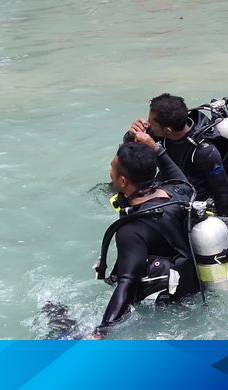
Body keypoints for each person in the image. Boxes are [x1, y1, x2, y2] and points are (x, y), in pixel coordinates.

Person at [91, 134, 200, 338]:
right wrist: (157, 149)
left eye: (111, 168)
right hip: (194, 289)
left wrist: (101, 331)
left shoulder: (131, 230)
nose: (109, 172)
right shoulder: (179, 192)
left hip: (165, 312)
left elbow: (127, 283)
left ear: (123, 181)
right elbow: (178, 177)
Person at [128, 93, 228, 220]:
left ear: (168, 130)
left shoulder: (205, 151)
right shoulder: (164, 132)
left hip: (193, 199)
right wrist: (132, 133)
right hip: (169, 185)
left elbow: (222, 194)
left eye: (150, 122)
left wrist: (226, 226)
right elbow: (129, 155)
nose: (147, 124)